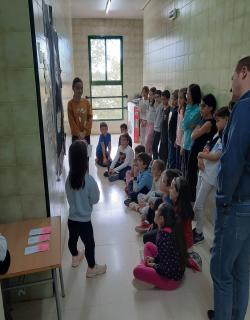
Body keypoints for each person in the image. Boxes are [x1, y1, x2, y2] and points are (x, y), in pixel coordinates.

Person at [208, 56, 250, 320]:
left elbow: (232, 160)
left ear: (243, 72)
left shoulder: (244, 108)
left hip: (236, 203)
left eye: (233, 77)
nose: (232, 83)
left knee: (222, 272)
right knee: (241, 269)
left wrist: (222, 199)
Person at [65, 140, 106, 277]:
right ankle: (92, 268)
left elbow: (69, 197)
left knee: (72, 240)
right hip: (84, 221)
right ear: (85, 160)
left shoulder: (68, 179)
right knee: (89, 244)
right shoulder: (88, 180)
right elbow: (95, 199)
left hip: (72, 219)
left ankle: (75, 257)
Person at [193, 107, 230, 245]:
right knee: (201, 204)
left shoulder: (226, 137)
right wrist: (200, 158)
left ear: (227, 119)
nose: (216, 123)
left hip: (212, 176)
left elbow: (216, 156)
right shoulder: (217, 134)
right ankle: (199, 231)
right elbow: (207, 147)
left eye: (218, 121)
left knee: (199, 205)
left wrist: (200, 155)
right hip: (203, 172)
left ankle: (201, 233)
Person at [132, 203, 187, 290]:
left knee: (136, 271)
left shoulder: (164, 238)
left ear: (161, 219)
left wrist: (153, 265)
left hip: (170, 280)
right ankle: (147, 269)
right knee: (148, 245)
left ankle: (149, 275)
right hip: (173, 268)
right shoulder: (169, 229)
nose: (155, 211)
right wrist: (155, 259)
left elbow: (167, 270)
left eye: (157, 210)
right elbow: (165, 254)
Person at [187, 94, 217, 203]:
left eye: (203, 106)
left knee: (194, 179)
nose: (201, 108)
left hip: (200, 155)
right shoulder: (203, 120)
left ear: (211, 108)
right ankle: (191, 201)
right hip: (196, 152)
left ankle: (193, 202)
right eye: (200, 105)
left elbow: (193, 135)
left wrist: (196, 128)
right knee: (191, 177)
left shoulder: (209, 123)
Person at [142, 169, 181, 243]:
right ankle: (150, 226)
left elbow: (166, 225)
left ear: (169, 186)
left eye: (163, 181)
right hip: (159, 222)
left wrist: (157, 228)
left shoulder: (169, 203)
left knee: (146, 238)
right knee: (156, 202)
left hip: (165, 228)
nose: (160, 182)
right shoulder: (164, 196)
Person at [129, 159, 165, 223]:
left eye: (153, 169)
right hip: (150, 198)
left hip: (156, 200)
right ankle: (143, 206)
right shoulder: (154, 178)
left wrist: (150, 196)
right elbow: (151, 189)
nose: (151, 170)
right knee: (140, 195)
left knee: (148, 203)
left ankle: (138, 208)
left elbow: (161, 192)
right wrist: (145, 198)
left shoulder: (161, 180)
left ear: (159, 172)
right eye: (151, 168)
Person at [169, 176, 194, 254]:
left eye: (172, 188)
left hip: (183, 248)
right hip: (185, 245)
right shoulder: (181, 205)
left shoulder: (180, 210)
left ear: (178, 192)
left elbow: (174, 233)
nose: (169, 189)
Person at [181, 84, 201, 177]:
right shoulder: (188, 107)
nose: (186, 96)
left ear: (193, 95)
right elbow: (184, 126)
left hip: (191, 146)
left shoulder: (197, 110)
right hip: (185, 143)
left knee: (190, 173)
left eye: (188, 94)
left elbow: (185, 124)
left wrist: (187, 125)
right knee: (184, 170)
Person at [68, 77, 93, 144]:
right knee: (76, 154)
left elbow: (90, 118)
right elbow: (71, 121)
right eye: (77, 88)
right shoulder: (70, 104)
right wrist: (78, 133)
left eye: (81, 88)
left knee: (86, 154)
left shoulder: (86, 103)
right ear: (73, 88)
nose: (80, 90)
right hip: (76, 136)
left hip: (86, 135)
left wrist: (85, 132)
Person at [175, 88, 187, 171]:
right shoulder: (180, 110)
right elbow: (178, 126)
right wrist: (176, 139)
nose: (179, 100)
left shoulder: (186, 111)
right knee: (177, 163)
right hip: (178, 141)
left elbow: (185, 130)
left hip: (183, 144)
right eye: (178, 97)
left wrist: (183, 145)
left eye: (181, 98)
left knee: (181, 166)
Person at [168, 89, 179, 168]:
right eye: (172, 98)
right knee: (170, 157)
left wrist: (175, 139)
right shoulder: (173, 109)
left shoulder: (178, 111)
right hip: (170, 136)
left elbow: (178, 127)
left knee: (172, 158)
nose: (172, 101)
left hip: (174, 138)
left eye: (174, 99)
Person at [159, 90, 171, 164]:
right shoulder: (163, 109)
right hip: (162, 136)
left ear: (168, 99)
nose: (163, 101)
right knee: (161, 154)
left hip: (167, 137)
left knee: (165, 156)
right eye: (162, 99)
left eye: (164, 99)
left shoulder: (170, 110)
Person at [145, 87, 156, 155]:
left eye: (152, 94)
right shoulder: (150, 103)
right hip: (148, 124)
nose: (150, 96)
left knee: (148, 142)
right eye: (149, 94)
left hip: (153, 125)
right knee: (149, 142)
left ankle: (147, 156)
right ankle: (149, 156)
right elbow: (148, 114)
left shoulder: (156, 104)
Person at [152, 90, 163, 159]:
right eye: (155, 97)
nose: (156, 99)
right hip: (155, 128)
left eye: (157, 97)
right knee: (154, 147)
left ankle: (155, 160)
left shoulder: (162, 106)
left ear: (161, 96)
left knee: (154, 147)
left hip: (159, 129)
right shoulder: (158, 105)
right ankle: (156, 159)